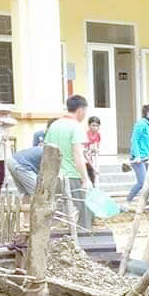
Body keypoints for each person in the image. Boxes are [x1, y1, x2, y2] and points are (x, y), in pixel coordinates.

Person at [44, 95, 94, 228]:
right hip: (71, 175)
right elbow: (78, 154)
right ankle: (85, 239)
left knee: (57, 211)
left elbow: (47, 152)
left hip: (54, 175)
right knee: (85, 209)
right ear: (81, 110)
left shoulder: (54, 125)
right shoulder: (76, 127)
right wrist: (85, 178)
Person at [126, 104, 149, 206]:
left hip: (147, 158)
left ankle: (143, 203)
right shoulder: (141, 124)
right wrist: (137, 155)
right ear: (148, 113)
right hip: (138, 158)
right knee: (142, 182)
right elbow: (134, 139)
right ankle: (127, 202)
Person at [85, 115, 102, 186]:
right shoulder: (85, 135)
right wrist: (94, 168)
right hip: (84, 161)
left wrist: (96, 150)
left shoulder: (98, 135)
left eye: (97, 126)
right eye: (93, 125)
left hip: (91, 160)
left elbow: (97, 147)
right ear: (89, 125)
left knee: (93, 182)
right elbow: (84, 154)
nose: (95, 128)